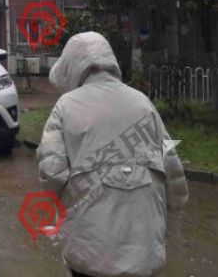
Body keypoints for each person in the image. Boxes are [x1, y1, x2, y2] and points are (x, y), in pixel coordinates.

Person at [37, 32, 188, 277]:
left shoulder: (65, 107)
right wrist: (172, 205)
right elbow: (172, 168)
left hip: (89, 250)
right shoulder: (143, 104)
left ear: (71, 67)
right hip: (144, 248)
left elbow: (51, 174)